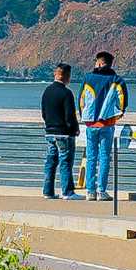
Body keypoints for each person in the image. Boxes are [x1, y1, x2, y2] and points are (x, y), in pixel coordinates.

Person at [77, 51, 130, 202]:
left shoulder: (88, 78)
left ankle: (90, 191)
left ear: (99, 63)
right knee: (105, 157)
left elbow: (81, 100)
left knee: (91, 157)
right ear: (110, 63)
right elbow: (122, 102)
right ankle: (101, 191)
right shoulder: (117, 80)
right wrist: (116, 116)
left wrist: (84, 117)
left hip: (90, 124)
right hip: (107, 124)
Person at [37, 63, 79, 198]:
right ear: (67, 76)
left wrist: (49, 124)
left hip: (49, 131)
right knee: (65, 161)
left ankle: (47, 191)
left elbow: (44, 112)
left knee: (51, 162)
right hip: (64, 133)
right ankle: (67, 192)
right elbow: (70, 116)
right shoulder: (67, 93)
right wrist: (74, 129)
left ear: (56, 74)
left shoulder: (47, 91)